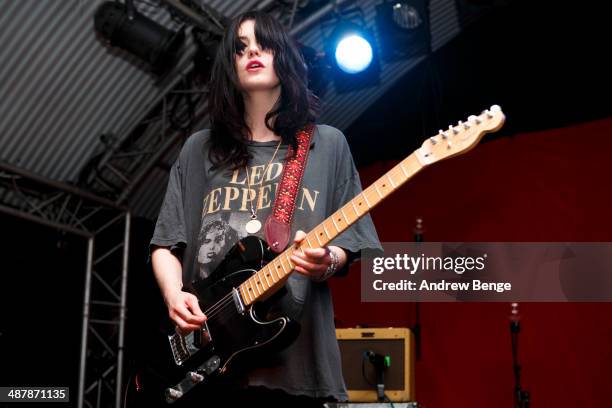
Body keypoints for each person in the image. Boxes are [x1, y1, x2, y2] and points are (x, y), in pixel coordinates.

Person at [150, 10, 381, 407]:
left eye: (265, 44)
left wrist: (327, 259)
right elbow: (166, 243)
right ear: (229, 67)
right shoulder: (199, 150)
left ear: (286, 58)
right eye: (240, 48)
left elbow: (352, 245)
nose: (253, 51)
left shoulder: (325, 145)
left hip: (295, 367)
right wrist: (174, 295)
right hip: (204, 364)